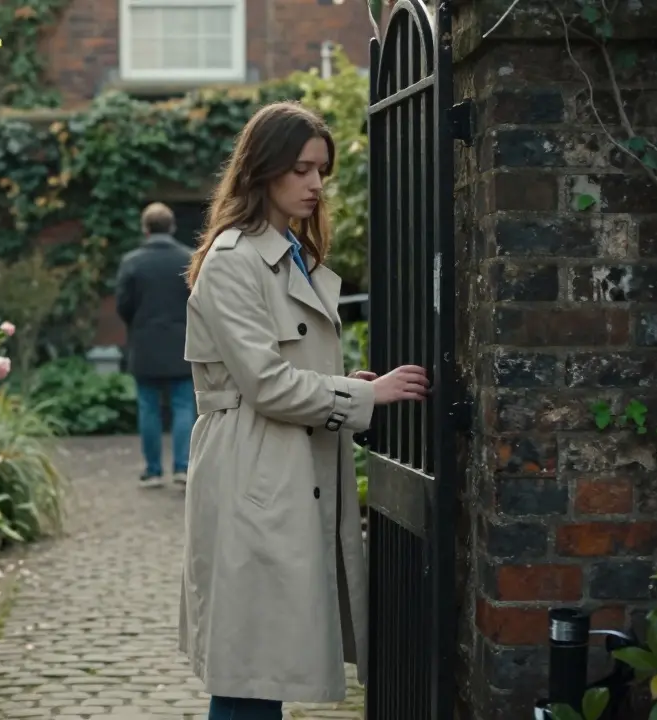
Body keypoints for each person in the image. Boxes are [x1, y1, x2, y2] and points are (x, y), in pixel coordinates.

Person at [177, 101, 429, 719]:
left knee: (265, 662)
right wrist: (366, 395)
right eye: (301, 169)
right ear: (261, 170)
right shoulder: (234, 260)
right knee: (250, 669)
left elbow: (285, 369)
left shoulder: (290, 252)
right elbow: (266, 384)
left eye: (321, 170)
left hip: (288, 465)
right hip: (254, 470)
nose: (316, 184)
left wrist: (342, 384)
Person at [114, 202, 196, 489]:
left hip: (145, 343)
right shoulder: (188, 259)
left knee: (148, 407)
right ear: (172, 227)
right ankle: (182, 468)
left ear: (145, 229)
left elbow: (123, 305)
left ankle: (153, 470)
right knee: (184, 406)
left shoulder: (132, 262)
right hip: (182, 343)